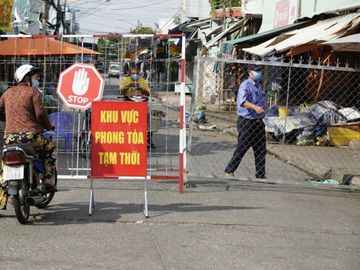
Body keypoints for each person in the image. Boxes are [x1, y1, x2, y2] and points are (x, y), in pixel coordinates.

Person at [0, 64, 58, 191]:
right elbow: (41, 114)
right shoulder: (33, 92)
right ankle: (48, 179)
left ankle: (2, 192)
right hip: (30, 137)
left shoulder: (7, 93)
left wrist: (9, 119)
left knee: (4, 161)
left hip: (9, 138)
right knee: (50, 149)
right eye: (35, 78)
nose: (37, 81)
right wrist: (48, 126)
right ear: (27, 78)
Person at [224, 64, 267, 179]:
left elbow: (261, 100)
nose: (259, 73)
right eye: (256, 71)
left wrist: (263, 108)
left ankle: (260, 175)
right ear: (250, 72)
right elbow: (243, 102)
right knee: (242, 147)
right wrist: (255, 107)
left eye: (260, 71)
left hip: (258, 121)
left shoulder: (258, 85)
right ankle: (229, 170)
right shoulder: (245, 85)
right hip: (246, 121)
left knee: (261, 149)